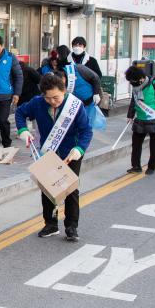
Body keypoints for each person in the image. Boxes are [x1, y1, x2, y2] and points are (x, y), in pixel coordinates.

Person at [15, 73, 93, 242]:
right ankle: (50, 224)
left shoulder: (75, 106)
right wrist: (23, 130)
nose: (52, 101)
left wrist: (79, 148)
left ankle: (71, 226)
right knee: (48, 188)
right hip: (48, 151)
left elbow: (86, 130)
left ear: (63, 91)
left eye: (56, 97)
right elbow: (20, 113)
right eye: (48, 98)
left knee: (70, 188)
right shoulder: (37, 103)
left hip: (71, 153)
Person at [125, 66, 155, 175]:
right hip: (140, 119)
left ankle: (152, 167)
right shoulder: (136, 88)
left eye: (133, 81)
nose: (132, 84)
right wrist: (130, 115)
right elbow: (134, 101)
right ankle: (136, 166)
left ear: (141, 79)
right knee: (136, 144)